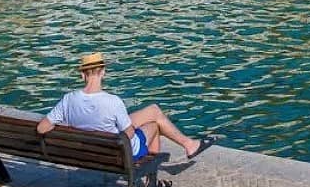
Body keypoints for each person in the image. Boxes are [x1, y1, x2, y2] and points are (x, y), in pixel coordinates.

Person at [36, 52, 201, 166]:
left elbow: (42, 127)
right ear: (103, 72)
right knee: (154, 124)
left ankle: (189, 144)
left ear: (82, 75)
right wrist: (131, 125)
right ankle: (152, 178)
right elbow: (129, 134)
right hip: (120, 152)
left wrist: (71, 126)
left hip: (93, 149)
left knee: (153, 110)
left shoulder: (68, 100)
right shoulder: (113, 101)